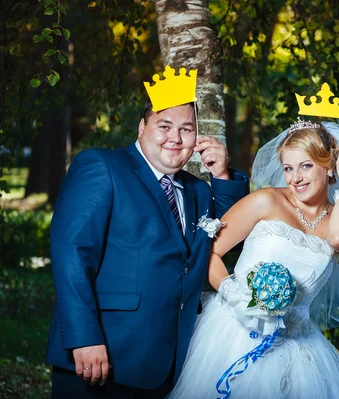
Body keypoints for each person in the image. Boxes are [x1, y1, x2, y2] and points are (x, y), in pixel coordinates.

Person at [46, 65, 250, 398]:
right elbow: (71, 253)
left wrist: (223, 176)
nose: (176, 137)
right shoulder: (103, 166)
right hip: (104, 354)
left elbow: (230, 239)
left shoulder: (198, 191)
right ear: (142, 127)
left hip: (171, 364)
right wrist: (83, 337)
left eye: (187, 129)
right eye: (164, 125)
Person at [166, 120, 339, 398]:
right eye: (288, 168)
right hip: (233, 331)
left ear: (329, 165)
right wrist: (234, 294)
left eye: (306, 166)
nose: (295, 178)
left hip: (298, 346)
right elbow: (209, 252)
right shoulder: (266, 201)